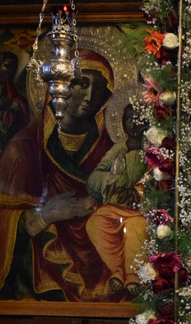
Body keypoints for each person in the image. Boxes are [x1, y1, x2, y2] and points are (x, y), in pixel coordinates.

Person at [0, 49, 122, 302]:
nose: (90, 96)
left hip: (104, 267)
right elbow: (3, 219)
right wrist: (44, 215)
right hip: (42, 280)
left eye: (99, 89)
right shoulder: (22, 150)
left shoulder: (113, 151)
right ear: (58, 87)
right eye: (81, 83)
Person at [85, 103, 148, 295]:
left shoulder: (152, 148)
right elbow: (94, 178)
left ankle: (133, 275)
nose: (133, 125)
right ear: (121, 123)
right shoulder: (118, 149)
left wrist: (138, 192)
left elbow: (157, 178)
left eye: (138, 119)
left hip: (140, 209)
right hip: (115, 205)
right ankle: (118, 270)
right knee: (95, 223)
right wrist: (112, 179)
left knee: (137, 226)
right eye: (129, 119)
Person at [0, 50, 29, 155]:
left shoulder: (10, 88)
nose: (10, 71)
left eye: (13, 67)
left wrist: (10, 104)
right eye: (7, 66)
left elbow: (21, 103)